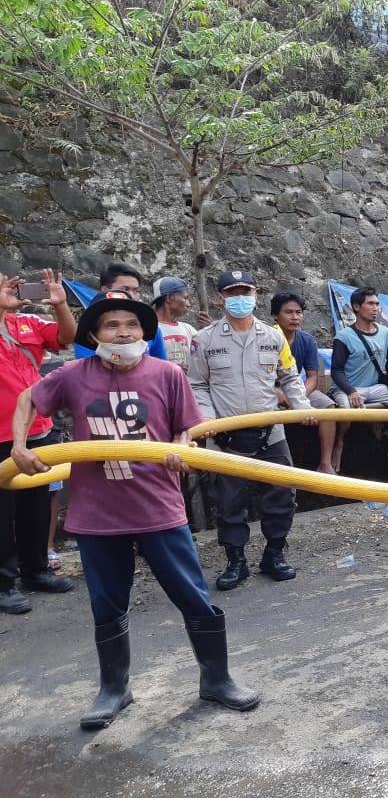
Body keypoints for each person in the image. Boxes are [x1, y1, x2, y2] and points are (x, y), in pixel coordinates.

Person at [10, 290, 259, 728]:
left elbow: (186, 428)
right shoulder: (74, 374)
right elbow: (28, 398)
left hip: (158, 509)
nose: (122, 332)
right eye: (111, 325)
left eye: (131, 324)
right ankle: (114, 689)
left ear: (144, 331)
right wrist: (19, 445)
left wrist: (181, 449)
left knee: (193, 597)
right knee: (107, 606)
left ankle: (217, 679)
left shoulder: (166, 374)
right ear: (95, 334)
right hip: (96, 514)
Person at [188, 270, 316, 591]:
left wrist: (302, 408)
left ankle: (274, 554)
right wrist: (208, 421)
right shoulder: (204, 340)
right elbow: (197, 384)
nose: (240, 298)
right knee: (229, 501)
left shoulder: (273, 337)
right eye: (232, 293)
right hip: (225, 436)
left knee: (281, 494)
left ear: (255, 294)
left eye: (245, 291)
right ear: (220, 298)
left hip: (270, 432)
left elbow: (288, 377)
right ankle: (236, 562)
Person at [0, 270, 77, 615]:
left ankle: (35, 570)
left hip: (36, 429)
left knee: (36, 505)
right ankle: (3, 584)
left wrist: (60, 306)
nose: (11, 286)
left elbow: (67, 337)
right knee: (2, 513)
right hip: (2, 437)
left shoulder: (26, 323)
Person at [329, 287, 388, 475]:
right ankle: (339, 442)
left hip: (375, 387)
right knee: (344, 410)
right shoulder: (344, 337)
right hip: (347, 388)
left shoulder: (384, 333)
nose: (375, 308)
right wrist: (351, 391)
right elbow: (336, 370)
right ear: (356, 307)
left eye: (377, 304)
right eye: (370, 304)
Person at [271, 293, 338, 476]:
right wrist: (277, 393)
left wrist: (299, 395)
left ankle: (325, 463)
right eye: (289, 312)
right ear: (276, 315)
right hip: (269, 391)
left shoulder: (307, 340)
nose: (295, 317)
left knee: (328, 406)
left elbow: (312, 378)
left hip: (297, 388)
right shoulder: (268, 337)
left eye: (299, 313)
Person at [74, 263, 168, 362]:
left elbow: (162, 364)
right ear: (104, 290)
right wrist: (123, 359)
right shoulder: (88, 326)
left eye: (136, 291)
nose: (131, 296)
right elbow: (88, 366)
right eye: (125, 289)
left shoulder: (150, 327)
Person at [152, 276, 198, 372]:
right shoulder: (149, 329)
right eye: (185, 298)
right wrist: (171, 369)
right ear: (168, 298)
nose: (188, 304)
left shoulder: (188, 329)